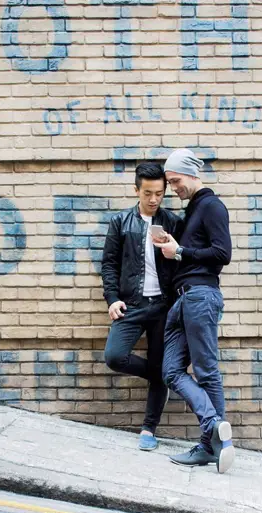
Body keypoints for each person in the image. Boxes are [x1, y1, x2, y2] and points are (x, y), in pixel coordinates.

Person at [153, 148, 235, 474]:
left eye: (175, 181)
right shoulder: (193, 211)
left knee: (206, 371)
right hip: (183, 300)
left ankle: (210, 445)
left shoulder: (212, 206)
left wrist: (180, 251)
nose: (174, 188)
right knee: (170, 370)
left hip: (201, 296)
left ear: (190, 174)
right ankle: (214, 427)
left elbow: (222, 253)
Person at [101, 162, 181, 451]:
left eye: (159, 193)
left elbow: (185, 262)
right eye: (147, 193)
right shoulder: (120, 222)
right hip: (131, 305)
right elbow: (109, 264)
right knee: (114, 356)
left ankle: (149, 429)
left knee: (162, 363)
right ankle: (162, 375)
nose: (153, 199)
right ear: (136, 190)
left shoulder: (173, 222)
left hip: (164, 307)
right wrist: (112, 299)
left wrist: (175, 250)